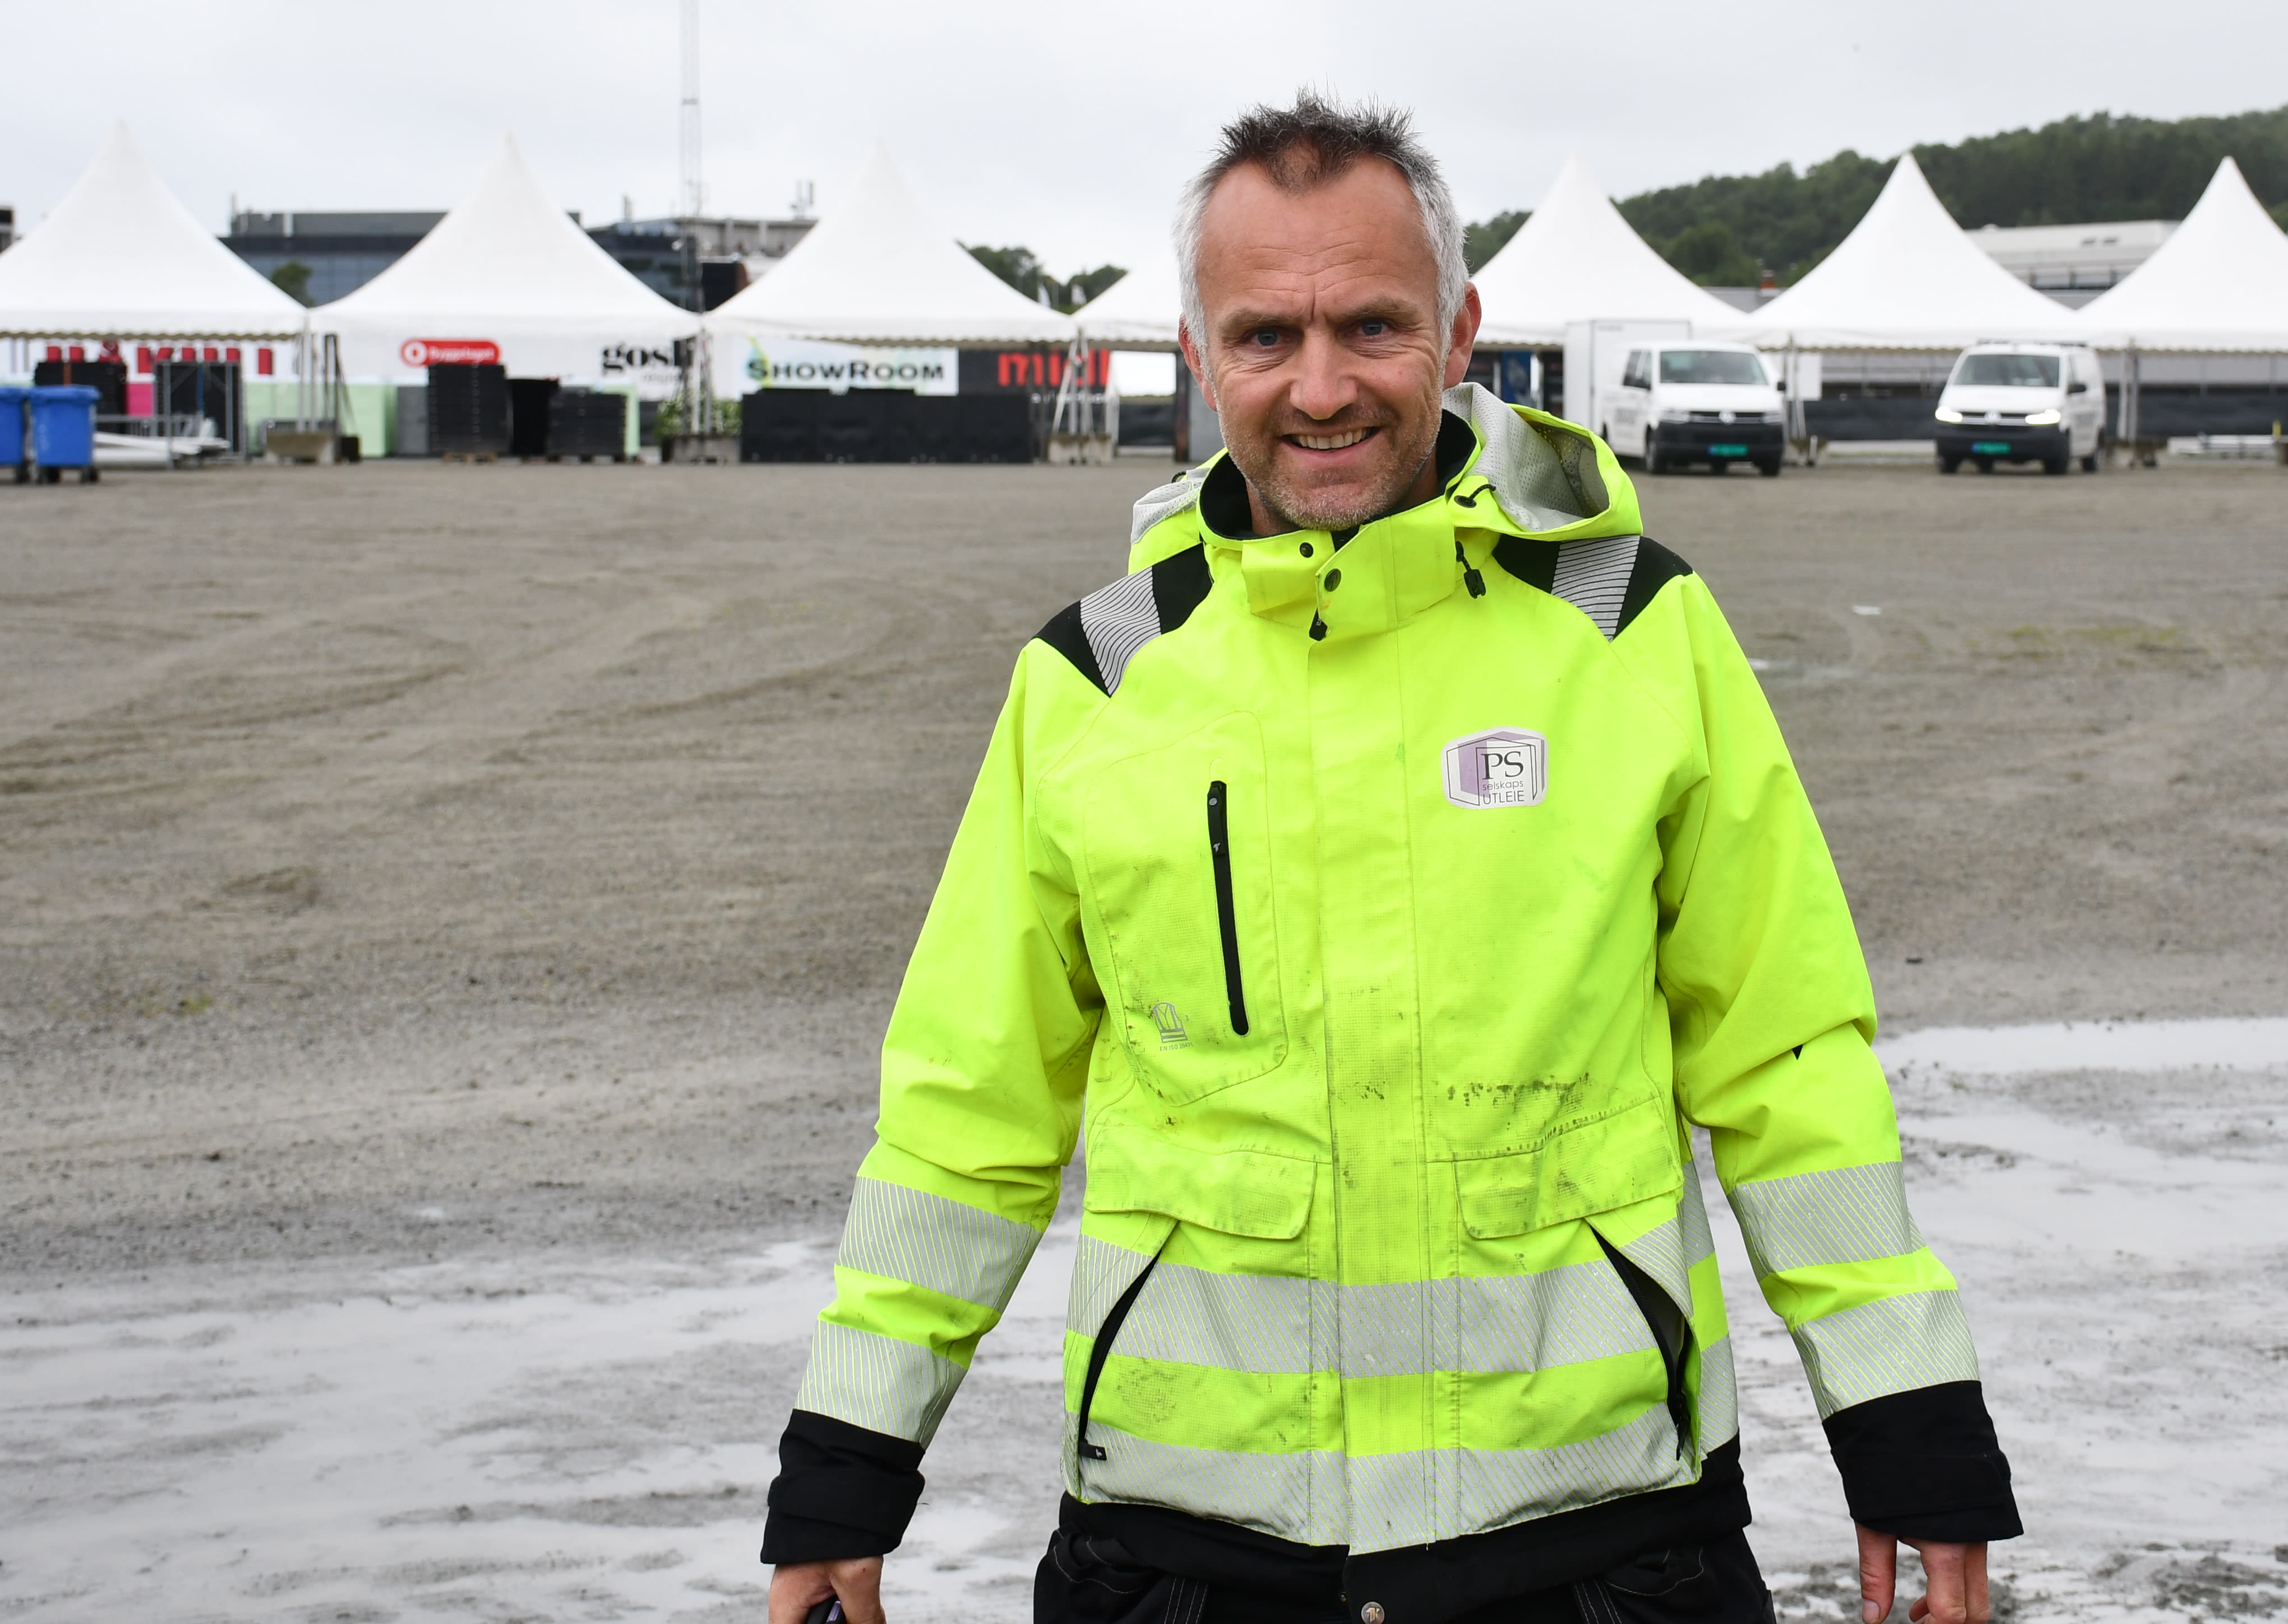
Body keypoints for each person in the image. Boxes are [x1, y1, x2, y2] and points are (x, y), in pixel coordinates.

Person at [763, 96, 2019, 1624]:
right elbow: (971, 1110)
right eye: (1265, 337)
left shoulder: (1634, 633)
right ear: (1197, 353)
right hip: (1188, 1561)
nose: (1321, 387)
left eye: (1371, 325)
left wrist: (1907, 1427)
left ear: (1459, 330)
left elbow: (1788, 1055)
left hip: (1601, 1548)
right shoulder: (1094, 682)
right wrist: (848, 1462)